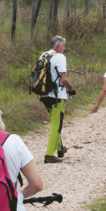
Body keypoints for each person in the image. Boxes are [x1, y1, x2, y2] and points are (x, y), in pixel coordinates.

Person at [39, 35, 76, 163]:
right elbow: (63, 79)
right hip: (58, 96)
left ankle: (60, 148)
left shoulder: (43, 55)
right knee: (56, 125)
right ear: (59, 46)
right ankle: (49, 154)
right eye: (64, 46)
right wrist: (71, 89)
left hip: (43, 94)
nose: (64, 48)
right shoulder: (60, 57)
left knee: (54, 122)